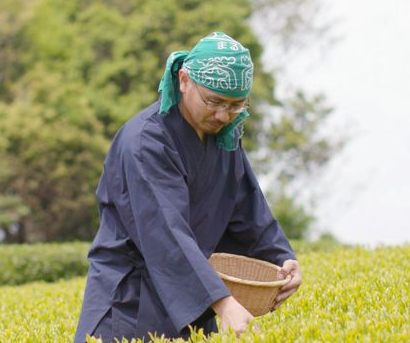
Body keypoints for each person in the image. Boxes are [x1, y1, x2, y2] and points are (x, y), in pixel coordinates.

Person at [73, 32, 302, 342]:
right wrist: (223, 302)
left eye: (236, 106)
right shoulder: (146, 141)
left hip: (191, 313)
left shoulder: (226, 139)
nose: (223, 115)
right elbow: (165, 232)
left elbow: (249, 211)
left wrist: (282, 260)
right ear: (183, 80)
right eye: (214, 101)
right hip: (128, 307)